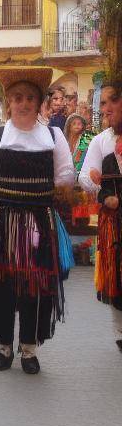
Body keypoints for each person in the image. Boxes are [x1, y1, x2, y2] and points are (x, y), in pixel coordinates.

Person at [0, 67, 75, 374]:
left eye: (29, 98)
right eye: (17, 98)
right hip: (4, 223)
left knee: (36, 285)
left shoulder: (53, 136)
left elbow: (67, 174)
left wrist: (54, 184)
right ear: (8, 102)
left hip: (41, 221)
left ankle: (29, 348)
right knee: (2, 285)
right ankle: (3, 346)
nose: (23, 103)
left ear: (39, 102)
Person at [79, 82, 122, 352]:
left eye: (111, 101)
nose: (105, 109)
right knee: (117, 273)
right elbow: (84, 177)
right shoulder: (101, 140)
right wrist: (102, 192)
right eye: (102, 103)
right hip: (114, 219)